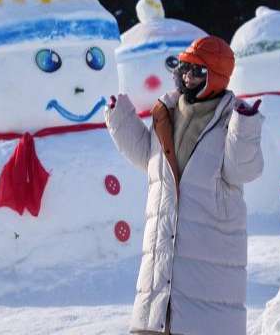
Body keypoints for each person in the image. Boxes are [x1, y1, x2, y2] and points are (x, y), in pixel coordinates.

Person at [105, 36, 264, 335]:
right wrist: (120, 117)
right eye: (184, 68)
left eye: (198, 71)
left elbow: (243, 170)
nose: (188, 76)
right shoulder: (167, 112)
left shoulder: (231, 117)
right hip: (162, 250)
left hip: (209, 258)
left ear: (216, 77)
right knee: (154, 325)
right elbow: (150, 158)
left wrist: (246, 127)